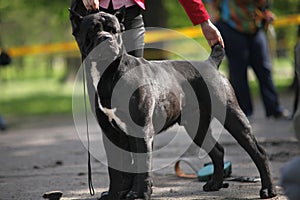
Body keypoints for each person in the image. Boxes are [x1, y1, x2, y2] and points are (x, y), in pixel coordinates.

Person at [206, 0, 290, 120]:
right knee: (238, 71)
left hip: (255, 27)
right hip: (231, 25)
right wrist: (211, 21)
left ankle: (274, 109)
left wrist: (265, 13)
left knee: (264, 68)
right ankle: (243, 112)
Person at [75, 0, 224, 59]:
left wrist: (204, 22)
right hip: (90, 12)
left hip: (129, 11)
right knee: (99, 87)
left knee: (133, 84)